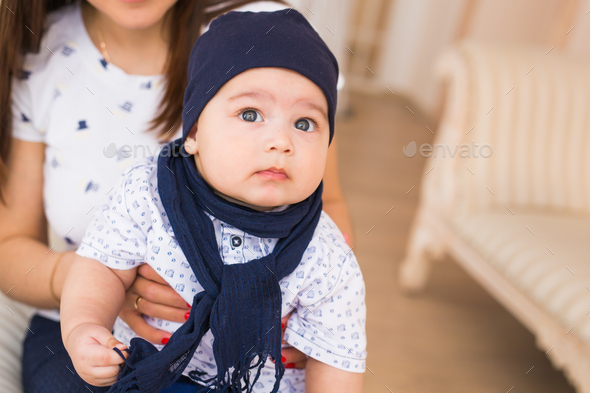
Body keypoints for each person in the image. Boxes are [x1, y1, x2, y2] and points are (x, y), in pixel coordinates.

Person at [0, 0, 355, 391]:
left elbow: (324, 215)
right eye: (251, 115)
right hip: (107, 336)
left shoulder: (268, 33)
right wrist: (98, 284)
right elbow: (11, 243)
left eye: (302, 123)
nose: (280, 142)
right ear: (193, 136)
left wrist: (305, 318)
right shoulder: (40, 52)